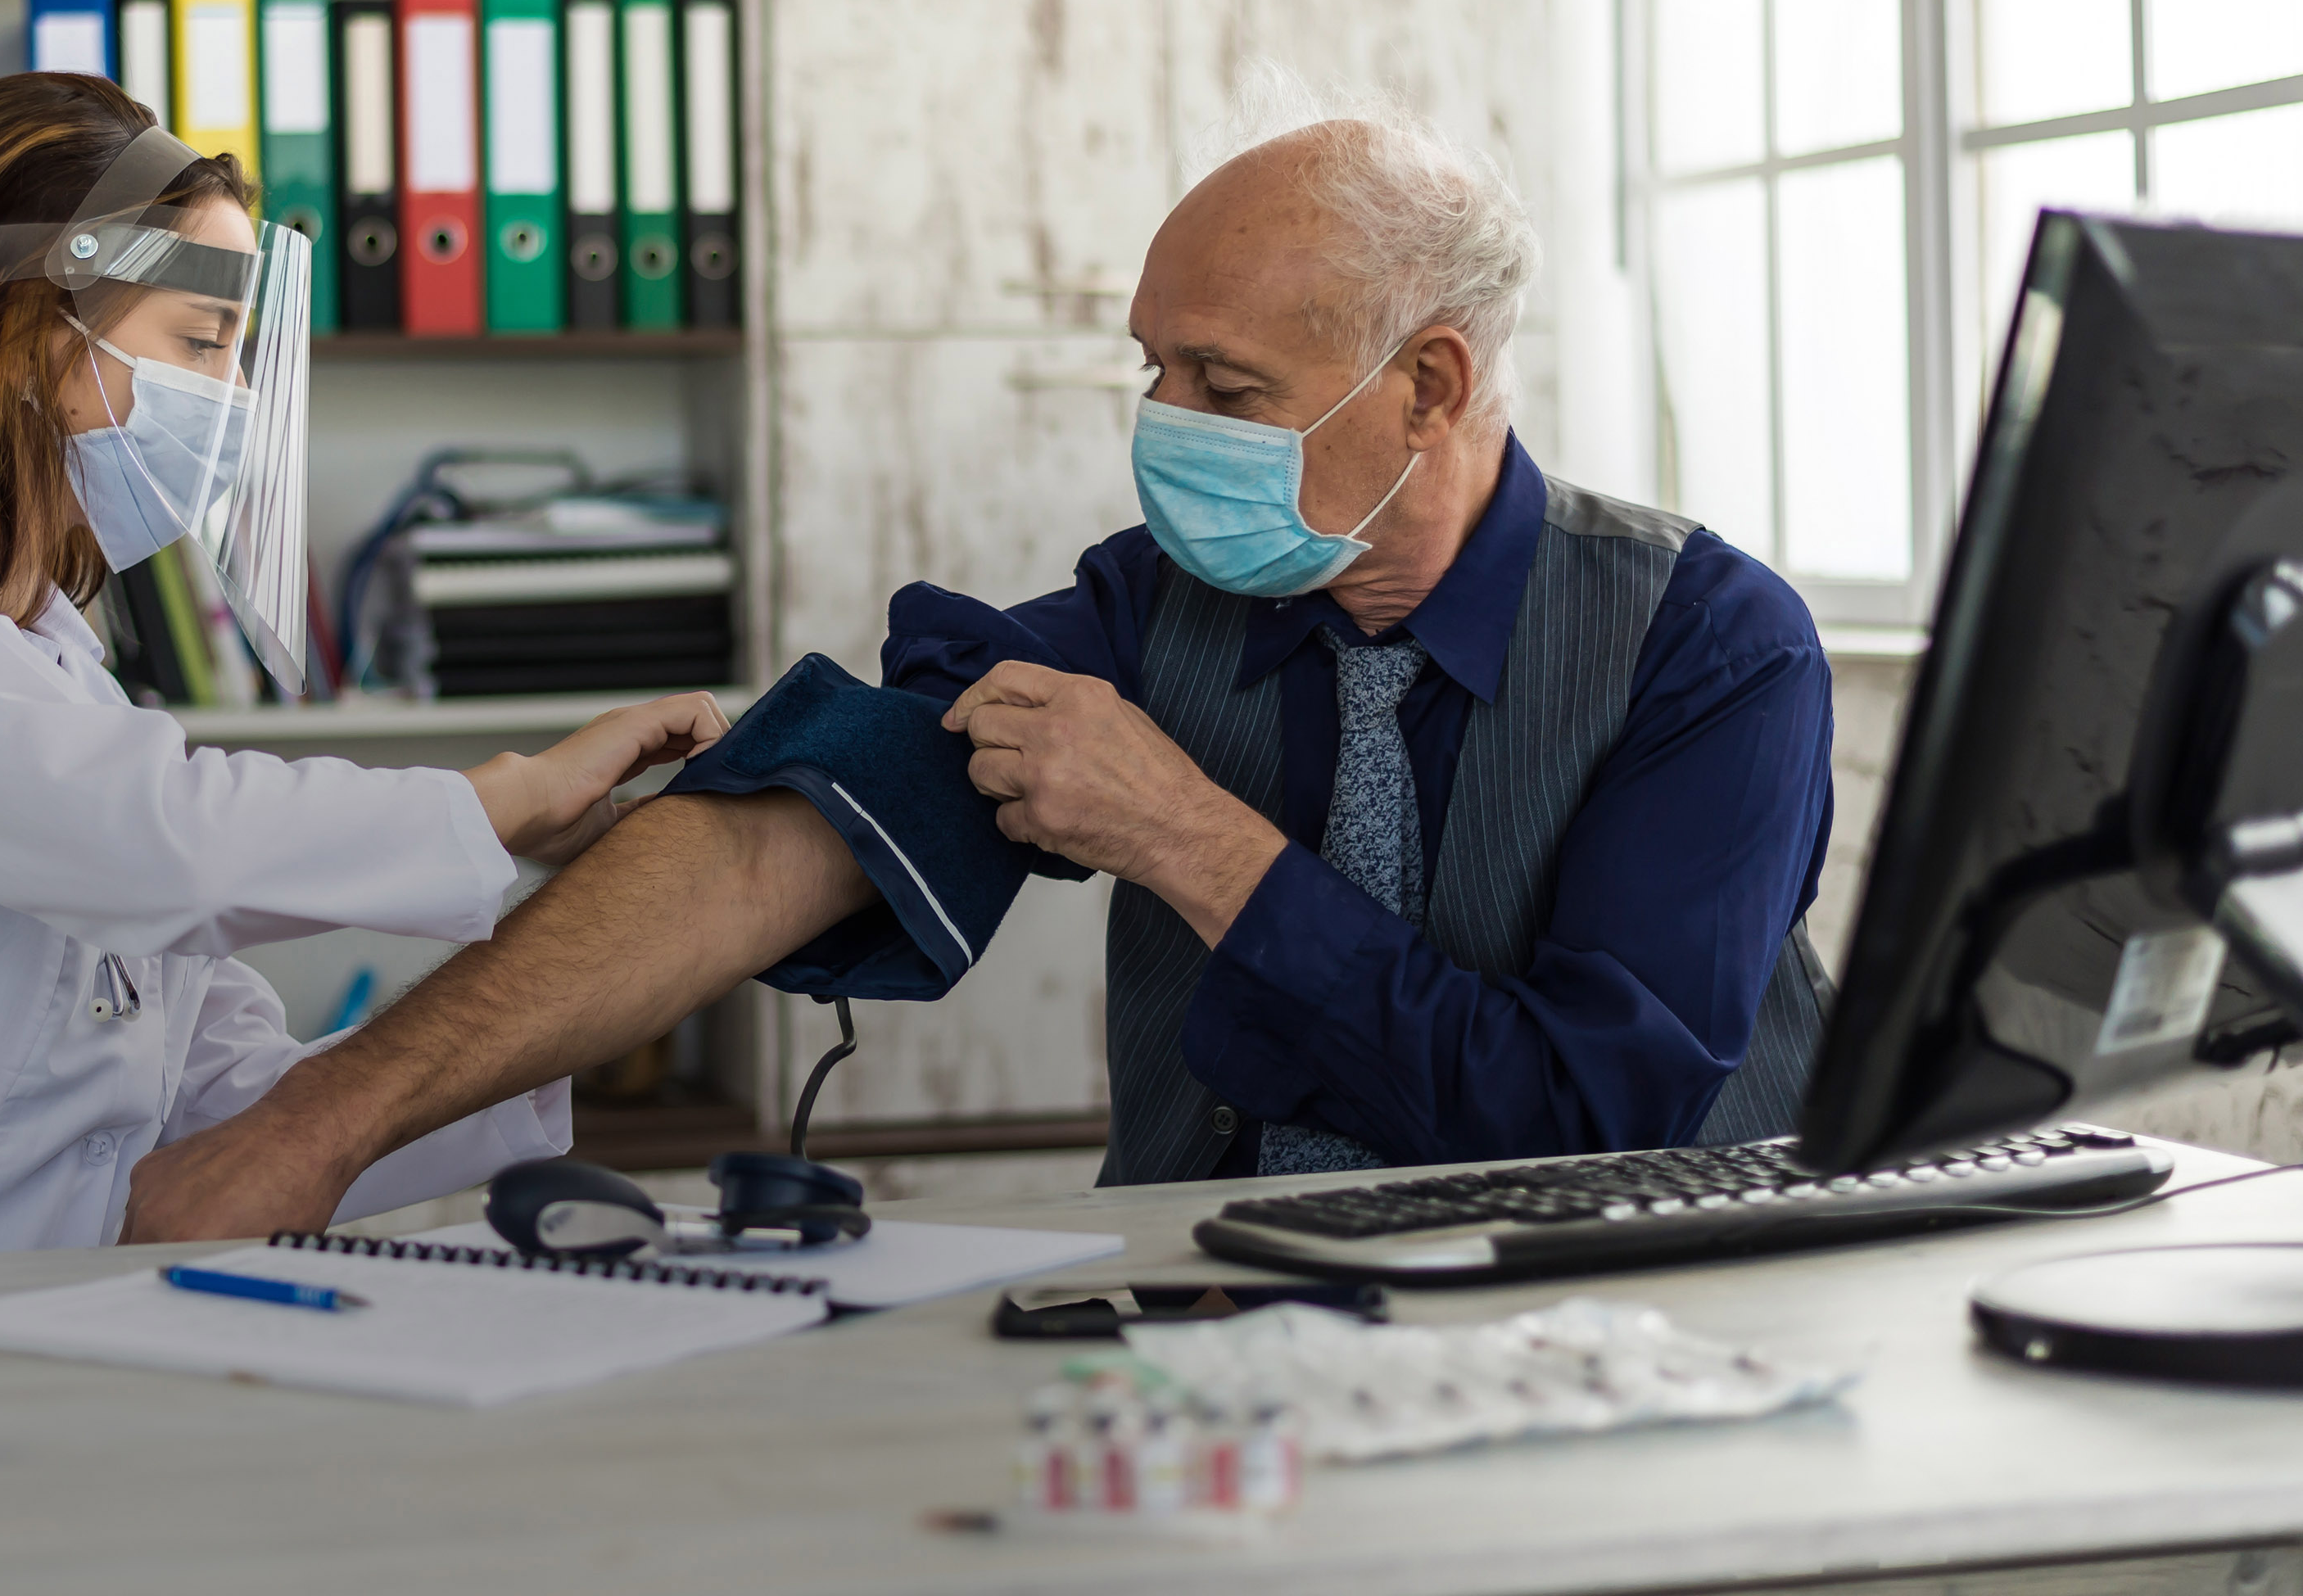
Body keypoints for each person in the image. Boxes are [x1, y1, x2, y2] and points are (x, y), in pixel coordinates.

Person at [116, 87, 1837, 1246]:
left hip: (1624, 1307)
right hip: (1220, 1287)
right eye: (1151, 366)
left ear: (1435, 386)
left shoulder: (1707, 646)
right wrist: (323, 1120)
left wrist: (1194, 839)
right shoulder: (1155, 608)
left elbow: (1602, 1115)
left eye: (1227, 390)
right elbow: (777, 834)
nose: (1164, 428)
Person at [0, 72, 722, 1269]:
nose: (227, 405)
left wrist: (615, 970)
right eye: (200, 344)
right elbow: (155, 843)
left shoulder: (61, 676)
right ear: (30, 335)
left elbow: (238, 1111)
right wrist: (510, 801)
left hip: (27, 1335)